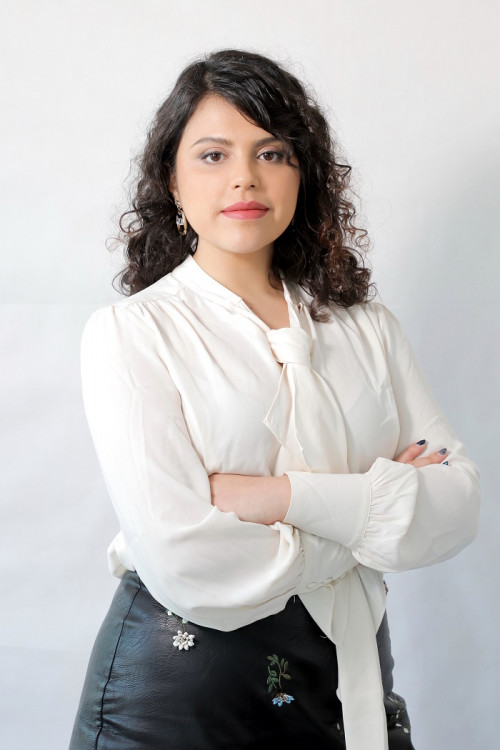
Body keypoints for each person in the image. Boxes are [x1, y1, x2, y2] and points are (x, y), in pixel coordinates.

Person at [68, 49, 480, 750]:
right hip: (177, 704)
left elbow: (459, 504)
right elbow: (186, 562)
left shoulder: (367, 327)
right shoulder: (131, 333)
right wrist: (373, 515)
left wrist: (279, 498)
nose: (244, 177)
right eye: (213, 155)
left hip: (346, 685)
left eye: (272, 152)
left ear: (302, 172)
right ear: (171, 179)